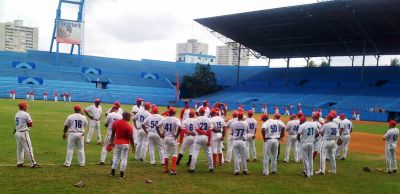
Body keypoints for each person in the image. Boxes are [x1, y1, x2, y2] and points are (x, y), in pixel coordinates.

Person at [109, 112, 135, 178]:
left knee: (116, 157)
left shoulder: (116, 123)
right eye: (129, 116)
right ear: (126, 116)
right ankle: (121, 174)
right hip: (125, 144)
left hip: (117, 143)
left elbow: (112, 134)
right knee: (124, 159)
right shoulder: (128, 126)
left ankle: (112, 172)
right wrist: (133, 146)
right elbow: (131, 137)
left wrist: (112, 141)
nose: (130, 117)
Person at [156, 107, 181, 175]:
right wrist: (176, 135)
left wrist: (160, 135)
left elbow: (157, 126)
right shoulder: (176, 119)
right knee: (174, 154)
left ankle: (166, 169)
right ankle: (173, 170)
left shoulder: (164, 119)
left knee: (166, 154)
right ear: (174, 113)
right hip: (172, 137)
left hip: (166, 138)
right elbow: (179, 127)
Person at [14, 102, 40, 168]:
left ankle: (20, 162)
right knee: (28, 148)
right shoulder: (26, 114)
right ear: (23, 107)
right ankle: (33, 163)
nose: (27, 107)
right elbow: (30, 124)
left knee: (20, 148)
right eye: (26, 106)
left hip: (17, 132)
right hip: (23, 133)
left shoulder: (17, 113)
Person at [190, 107, 214, 173]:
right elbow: (210, 131)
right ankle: (211, 167)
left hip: (198, 137)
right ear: (205, 112)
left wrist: (203, 132)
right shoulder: (208, 120)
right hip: (206, 137)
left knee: (195, 152)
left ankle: (192, 168)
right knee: (209, 153)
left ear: (199, 112)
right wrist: (209, 140)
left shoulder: (196, 119)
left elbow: (197, 129)